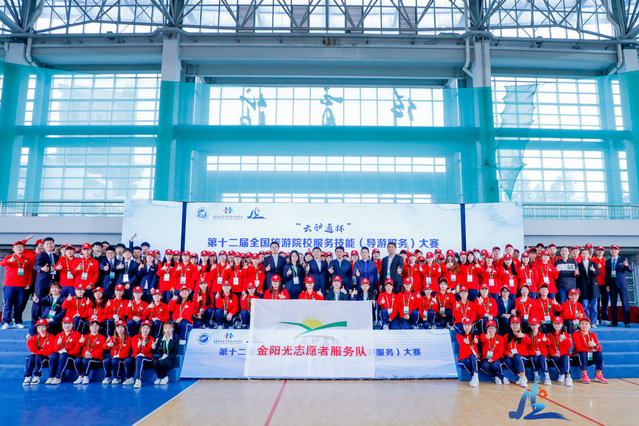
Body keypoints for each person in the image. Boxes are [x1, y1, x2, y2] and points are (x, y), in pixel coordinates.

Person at [1, 240, 32, 329]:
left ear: (23, 248)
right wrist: (9, 261)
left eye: (21, 247)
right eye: (17, 247)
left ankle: (17, 321)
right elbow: (2, 264)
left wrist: (29, 283)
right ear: (13, 249)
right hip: (9, 285)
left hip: (22, 285)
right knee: (8, 304)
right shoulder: (9, 257)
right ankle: (5, 322)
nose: (19, 248)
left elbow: (29, 272)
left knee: (19, 304)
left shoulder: (27, 259)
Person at [47, 316, 81, 385]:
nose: (67, 326)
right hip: (61, 358)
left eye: (69, 323)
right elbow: (55, 350)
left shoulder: (77, 334)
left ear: (72, 325)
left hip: (72, 357)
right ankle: (51, 376)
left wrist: (66, 352)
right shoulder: (59, 335)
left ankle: (58, 376)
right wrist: (58, 344)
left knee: (64, 355)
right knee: (53, 355)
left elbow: (77, 350)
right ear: (62, 325)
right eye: (65, 323)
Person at [572, 317, 608, 384]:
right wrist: (589, 350)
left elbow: (599, 348)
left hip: (589, 357)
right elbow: (578, 348)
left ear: (590, 326)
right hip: (578, 358)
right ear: (579, 325)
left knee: (599, 353)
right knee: (582, 352)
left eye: (586, 324)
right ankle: (584, 374)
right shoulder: (575, 334)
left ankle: (598, 375)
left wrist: (595, 345)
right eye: (582, 324)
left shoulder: (593, 335)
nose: (584, 325)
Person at [605, 244, 633, 327]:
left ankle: (627, 321)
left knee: (625, 303)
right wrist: (607, 285)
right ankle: (614, 321)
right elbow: (607, 274)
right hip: (612, 285)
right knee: (613, 304)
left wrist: (627, 265)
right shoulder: (608, 261)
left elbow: (630, 270)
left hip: (622, 285)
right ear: (610, 251)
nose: (613, 251)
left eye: (615, 250)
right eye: (612, 250)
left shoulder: (623, 259)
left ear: (618, 251)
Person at [73, 316, 106, 385]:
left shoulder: (102, 337)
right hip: (85, 356)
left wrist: (91, 355)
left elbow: (100, 350)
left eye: (96, 325)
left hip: (96, 358)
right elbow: (79, 346)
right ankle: (80, 376)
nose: (94, 327)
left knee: (86, 360)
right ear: (89, 327)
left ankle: (86, 376)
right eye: (92, 325)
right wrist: (79, 342)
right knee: (77, 360)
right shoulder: (85, 336)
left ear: (99, 327)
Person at [32, 237, 59, 321]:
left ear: (54, 245)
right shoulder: (41, 255)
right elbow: (36, 266)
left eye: (51, 243)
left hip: (52, 283)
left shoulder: (56, 256)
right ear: (43, 245)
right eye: (47, 244)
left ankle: (44, 321)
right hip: (42, 283)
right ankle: (34, 322)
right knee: (37, 301)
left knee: (48, 303)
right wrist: (42, 268)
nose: (49, 245)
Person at [23, 319, 55, 385]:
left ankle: (37, 376)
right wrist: (29, 340)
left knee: (38, 356)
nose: (41, 329)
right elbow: (32, 350)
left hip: (46, 358)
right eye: (39, 327)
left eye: (43, 327)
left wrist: (37, 352)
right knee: (31, 357)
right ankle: (27, 376)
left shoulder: (51, 337)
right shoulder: (35, 337)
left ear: (47, 327)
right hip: (38, 356)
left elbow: (49, 351)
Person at [126, 321, 155, 388]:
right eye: (143, 328)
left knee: (139, 359)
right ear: (141, 329)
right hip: (136, 356)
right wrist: (139, 346)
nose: (145, 330)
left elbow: (147, 353)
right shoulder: (135, 337)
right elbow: (135, 351)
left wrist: (143, 346)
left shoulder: (151, 338)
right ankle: (129, 378)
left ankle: (138, 379)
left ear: (150, 330)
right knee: (128, 360)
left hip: (147, 358)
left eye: (147, 328)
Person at [503, 317, 531, 386]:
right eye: (513, 324)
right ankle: (520, 377)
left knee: (517, 356)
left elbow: (529, 342)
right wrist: (508, 354)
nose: (515, 326)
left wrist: (523, 336)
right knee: (506, 360)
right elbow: (503, 349)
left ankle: (523, 377)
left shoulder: (524, 335)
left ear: (520, 325)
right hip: (512, 357)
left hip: (523, 358)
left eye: (517, 324)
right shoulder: (506, 336)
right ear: (510, 325)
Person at [102, 320, 132, 384]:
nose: (120, 329)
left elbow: (126, 351)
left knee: (115, 360)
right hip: (114, 356)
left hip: (124, 356)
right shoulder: (113, 338)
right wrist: (107, 344)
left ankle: (117, 377)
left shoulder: (128, 338)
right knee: (106, 361)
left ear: (125, 328)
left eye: (121, 327)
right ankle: (108, 377)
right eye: (118, 327)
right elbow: (104, 346)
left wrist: (118, 356)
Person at [480, 320, 508, 384]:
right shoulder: (483, 335)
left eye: (493, 328)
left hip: (497, 357)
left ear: (496, 329)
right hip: (486, 357)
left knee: (494, 365)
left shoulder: (500, 338)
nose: (491, 330)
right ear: (486, 329)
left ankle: (502, 377)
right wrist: (486, 337)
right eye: (489, 328)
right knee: (484, 366)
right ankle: (495, 376)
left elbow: (500, 351)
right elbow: (482, 338)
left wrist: (493, 358)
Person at [547, 316, 574, 387]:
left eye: (559, 324)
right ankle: (561, 373)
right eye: (555, 323)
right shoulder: (550, 335)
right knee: (554, 359)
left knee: (566, 358)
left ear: (562, 325)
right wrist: (554, 353)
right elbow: (549, 347)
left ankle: (568, 376)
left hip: (564, 354)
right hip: (555, 354)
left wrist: (565, 339)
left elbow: (570, 346)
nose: (557, 325)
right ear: (553, 324)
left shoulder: (565, 334)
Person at [527, 318, 552, 385]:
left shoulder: (543, 335)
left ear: (539, 325)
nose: (534, 326)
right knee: (534, 358)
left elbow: (549, 343)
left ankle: (547, 376)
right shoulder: (528, 336)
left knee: (542, 358)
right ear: (529, 325)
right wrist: (534, 353)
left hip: (542, 354)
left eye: (535, 325)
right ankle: (536, 375)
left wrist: (546, 340)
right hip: (533, 354)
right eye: (532, 325)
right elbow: (527, 348)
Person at [456, 317, 480, 387]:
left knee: (472, 356)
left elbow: (476, 340)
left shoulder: (475, 336)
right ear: (463, 326)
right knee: (467, 360)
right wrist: (464, 340)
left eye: (468, 325)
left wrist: (475, 341)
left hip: (473, 358)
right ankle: (474, 376)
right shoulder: (459, 336)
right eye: (465, 325)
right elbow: (461, 339)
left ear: (471, 326)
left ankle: (475, 375)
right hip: (463, 359)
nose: (467, 327)